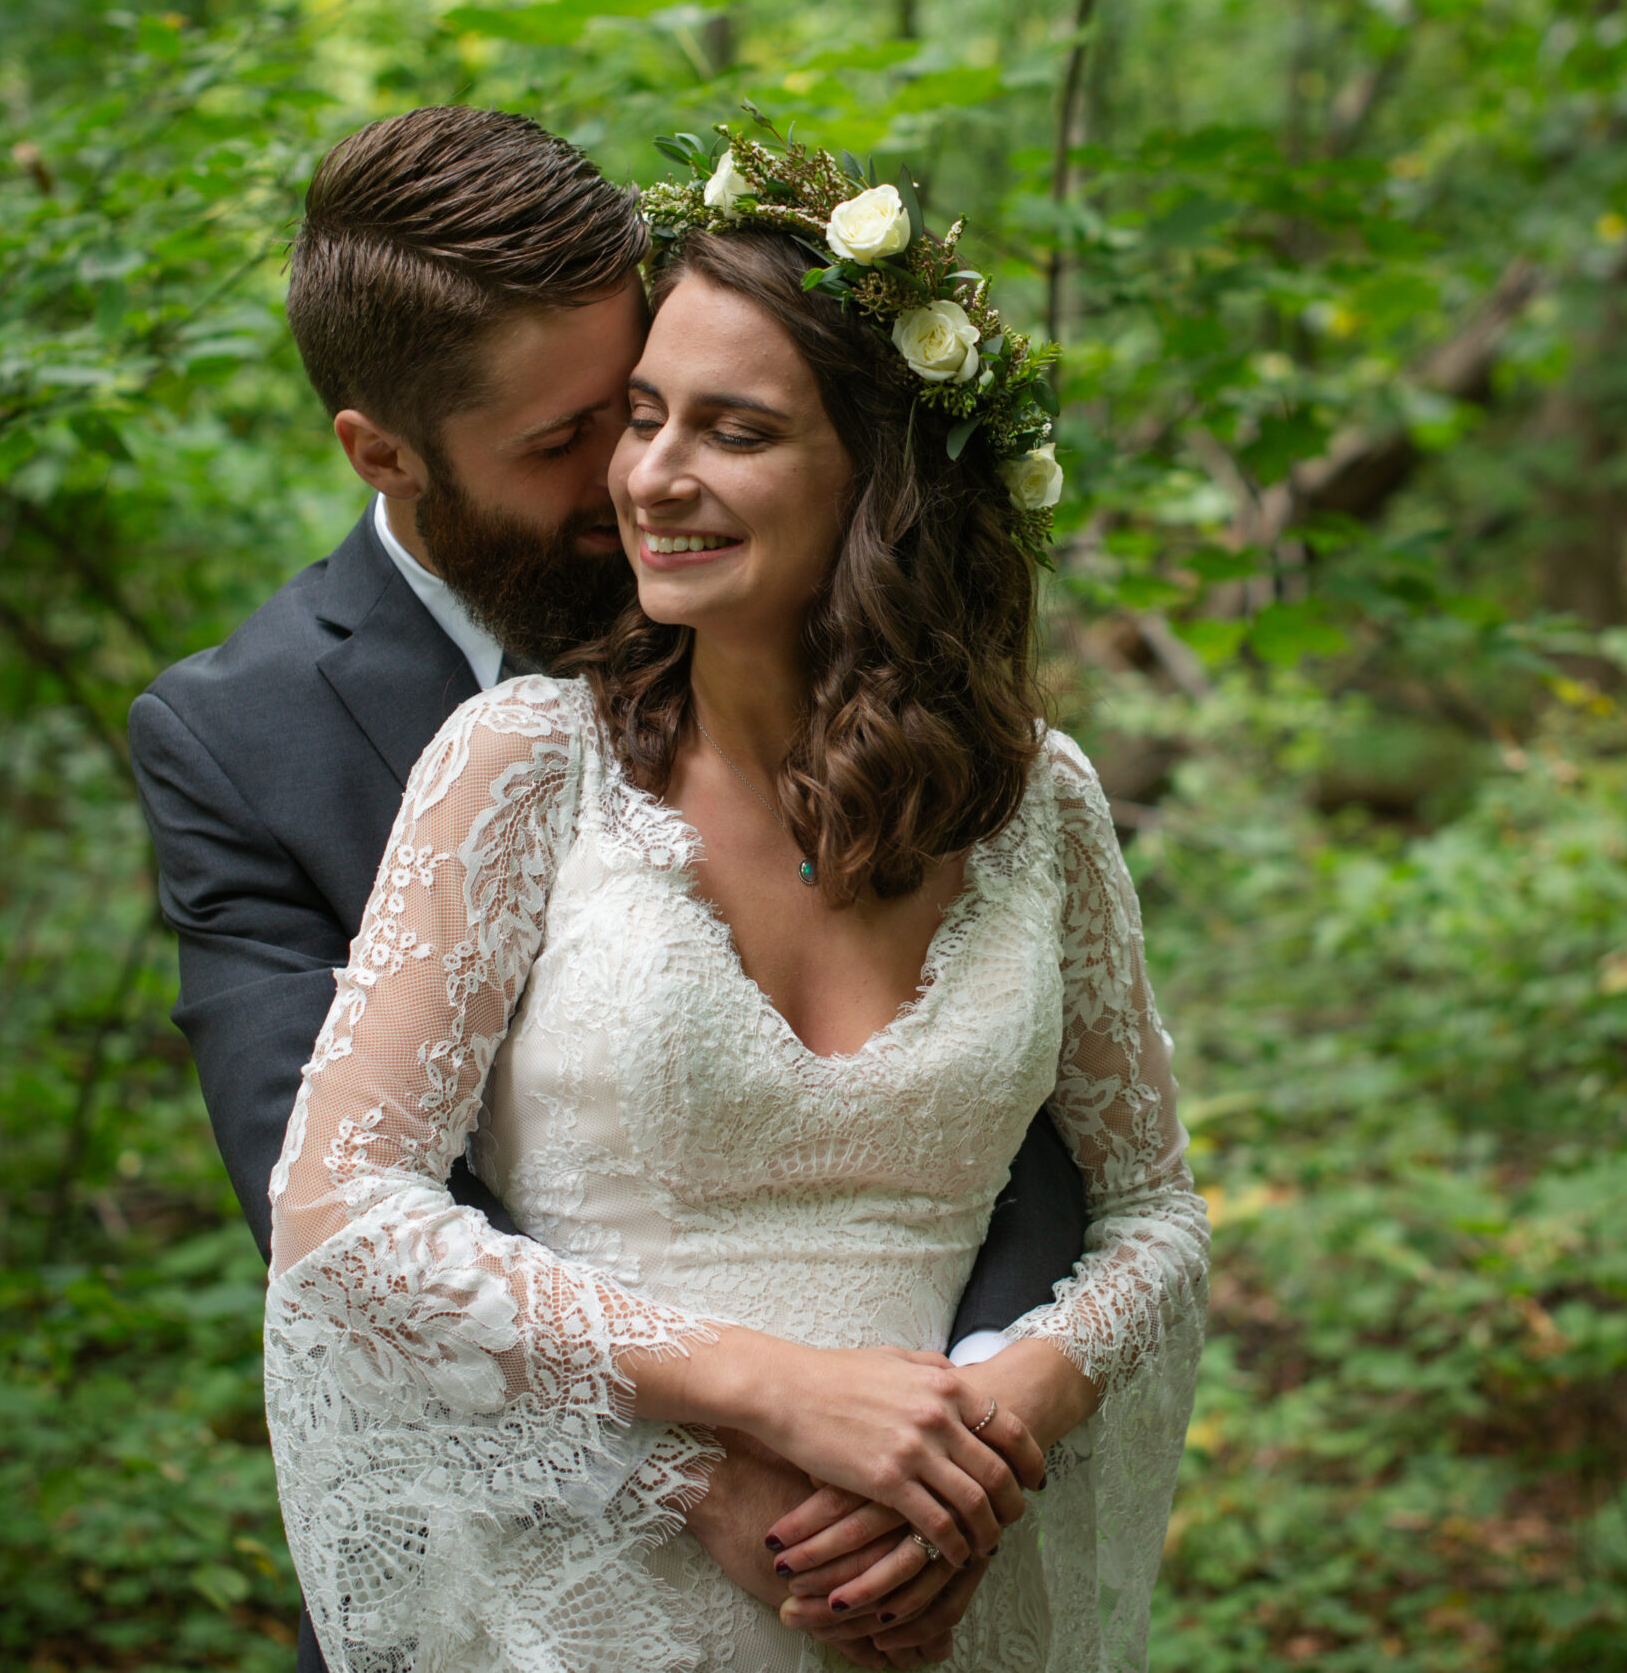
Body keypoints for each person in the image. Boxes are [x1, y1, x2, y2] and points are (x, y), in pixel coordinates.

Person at [128, 107, 1088, 1671]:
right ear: (384, 451)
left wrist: (973, 1430)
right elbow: (329, 1204)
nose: (640, 475)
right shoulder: (242, 739)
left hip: (925, 1539)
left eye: (644, 397)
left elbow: (1009, 1083)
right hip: (515, 1566)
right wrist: (701, 1459)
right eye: (568, 439)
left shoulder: (857, 653)